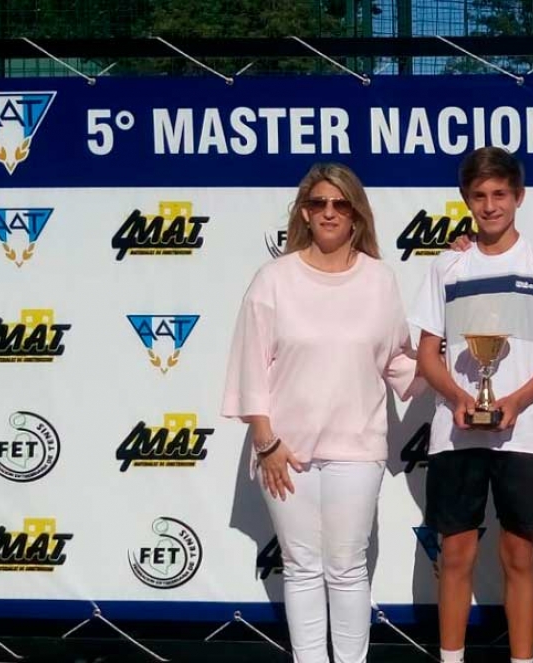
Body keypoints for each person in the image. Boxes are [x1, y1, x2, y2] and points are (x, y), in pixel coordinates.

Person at [221, 163, 423, 663]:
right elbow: (250, 364)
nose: (329, 213)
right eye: (318, 204)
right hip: (283, 451)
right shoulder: (273, 279)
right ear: (304, 214)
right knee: (301, 567)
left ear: (357, 214)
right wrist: (266, 442)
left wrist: (456, 368)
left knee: (348, 568)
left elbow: (399, 358)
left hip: (358, 448)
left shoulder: (380, 280)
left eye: (340, 204)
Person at [411, 146, 533, 663]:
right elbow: (427, 355)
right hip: (456, 430)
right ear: (466, 199)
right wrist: (461, 398)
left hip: (525, 432)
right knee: (455, 554)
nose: (490, 205)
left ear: (518, 197)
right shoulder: (447, 265)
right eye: (479, 196)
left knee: (519, 555)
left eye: (500, 194)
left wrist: (518, 401)